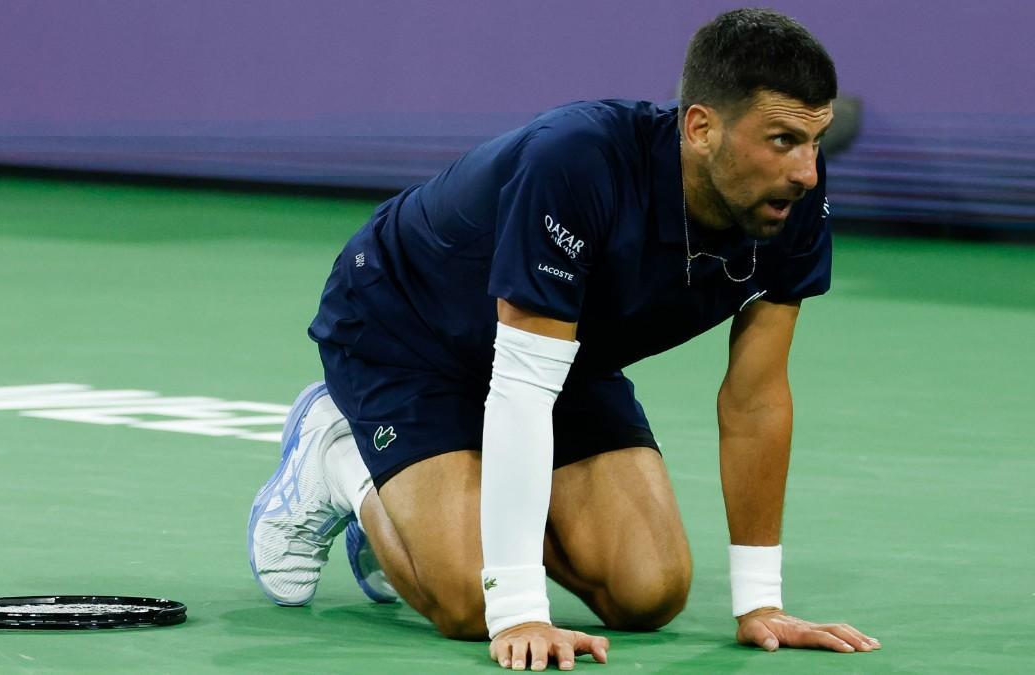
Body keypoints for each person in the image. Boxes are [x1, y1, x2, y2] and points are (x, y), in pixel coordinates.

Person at [249, 7, 881, 670]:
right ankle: (342, 455)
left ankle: (422, 505)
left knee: (649, 589)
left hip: (563, 346)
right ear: (700, 128)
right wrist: (519, 607)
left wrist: (762, 603)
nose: (807, 170)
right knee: (473, 599)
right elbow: (522, 388)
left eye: (816, 140)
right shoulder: (577, 162)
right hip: (408, 329)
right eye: (782, 140)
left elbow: (754, 399)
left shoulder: (792, 197)